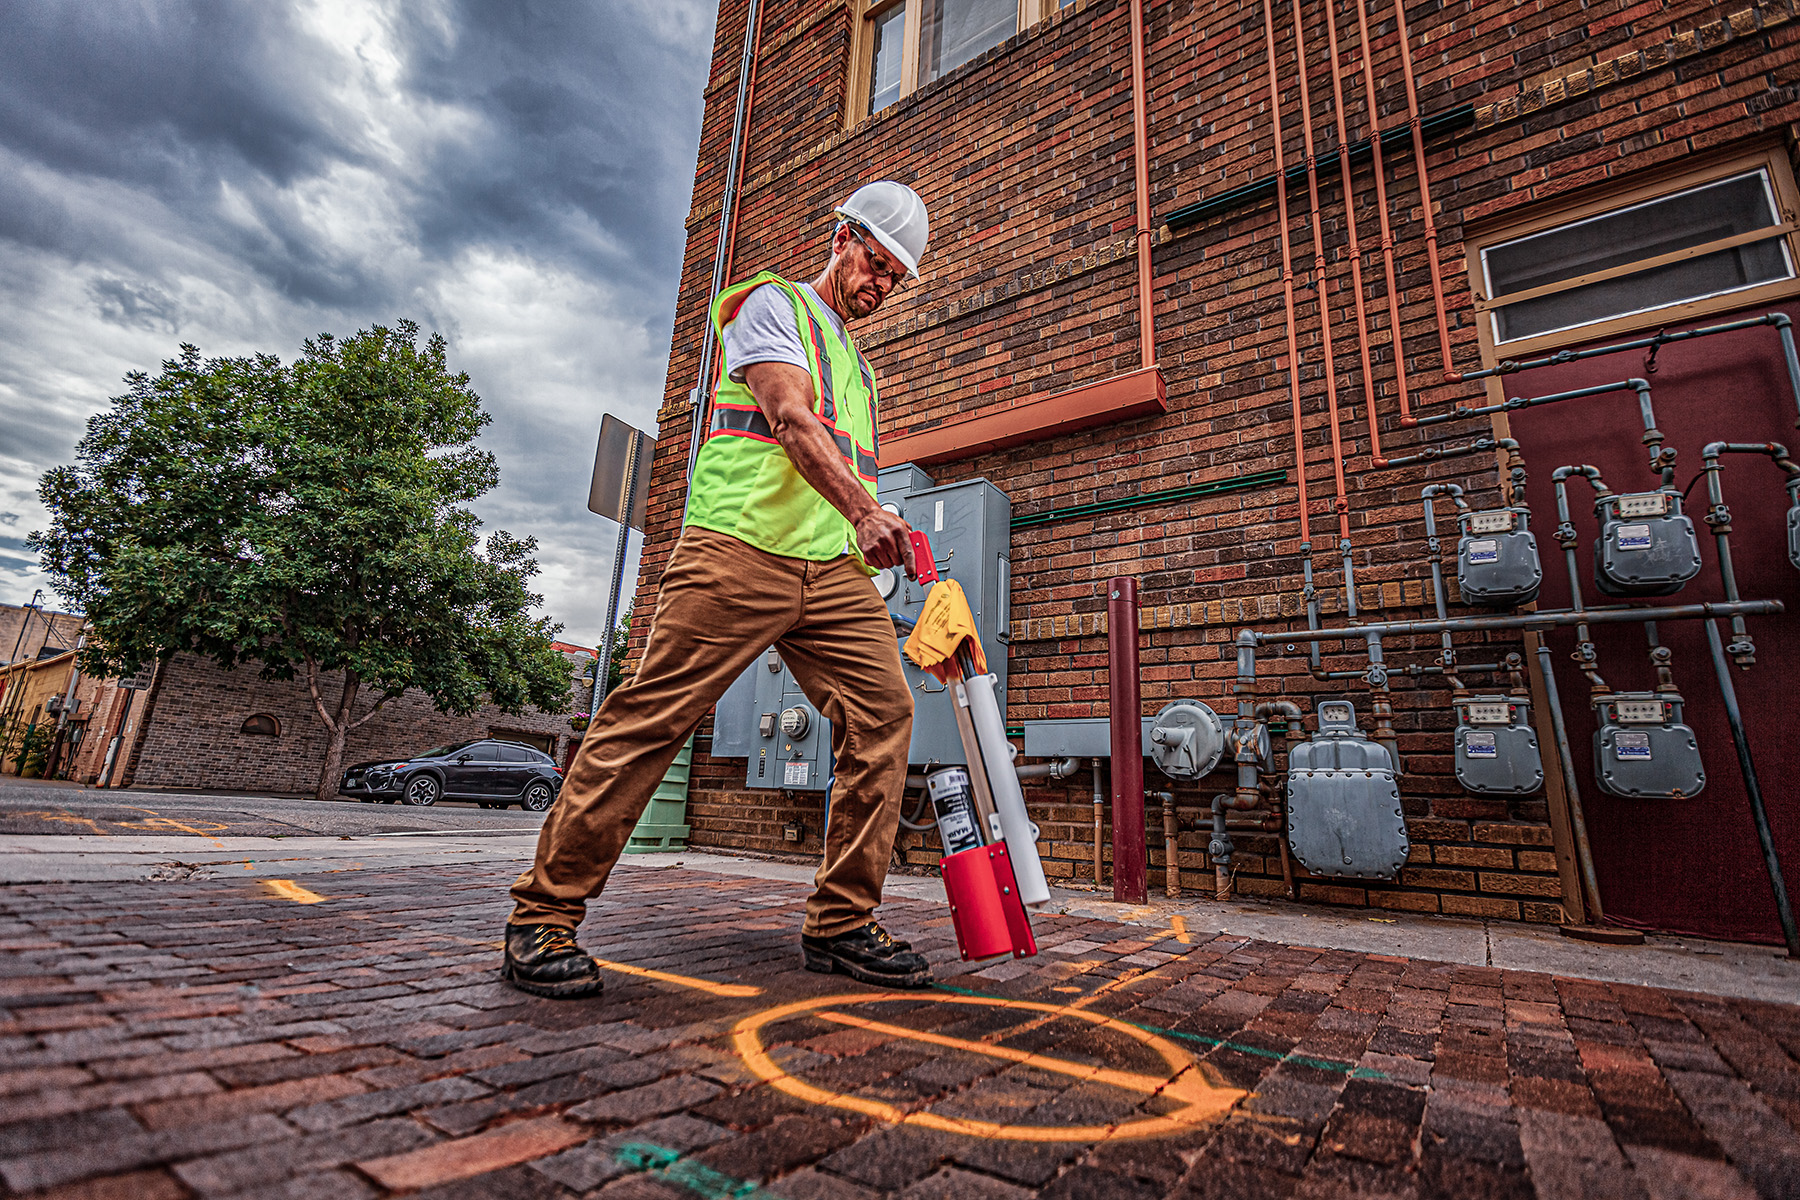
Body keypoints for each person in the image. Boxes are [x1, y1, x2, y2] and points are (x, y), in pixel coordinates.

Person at [502, 181, 934, 998]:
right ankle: (542, 916)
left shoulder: (862, 368)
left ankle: (841, 921)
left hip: (830, 570)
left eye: (894, 278)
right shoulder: (773, 307)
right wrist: (865, 511)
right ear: (841, 237)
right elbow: (790, 422)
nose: (879, 285)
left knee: (886, 715)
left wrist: (873, 535)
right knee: (651, 716)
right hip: (736, 551)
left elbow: (846, 461)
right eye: (874, 262)